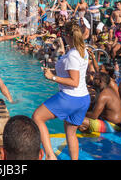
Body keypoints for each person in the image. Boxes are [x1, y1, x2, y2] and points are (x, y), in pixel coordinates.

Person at [32, 21, 90, 160]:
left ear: (67, 35)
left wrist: (52, 77)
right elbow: (74, 73)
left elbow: (74, 82)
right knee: (70, 134)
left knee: (37, 117)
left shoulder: (73, 55)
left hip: (70, 98)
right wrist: (54, 69)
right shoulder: (82, 51)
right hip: (83, 99)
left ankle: (51, 156)